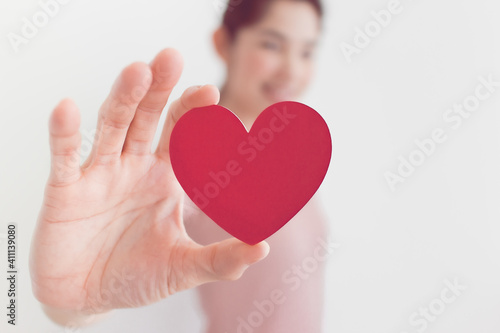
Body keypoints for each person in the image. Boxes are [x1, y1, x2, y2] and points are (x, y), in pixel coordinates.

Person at [29, 0, 329, 331]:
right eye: (272, 44)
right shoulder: (185, 165)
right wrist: (79, 301)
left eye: (307, 52)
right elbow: (107, 274)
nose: (291, 70)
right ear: (223, 43)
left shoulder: (296, 158)